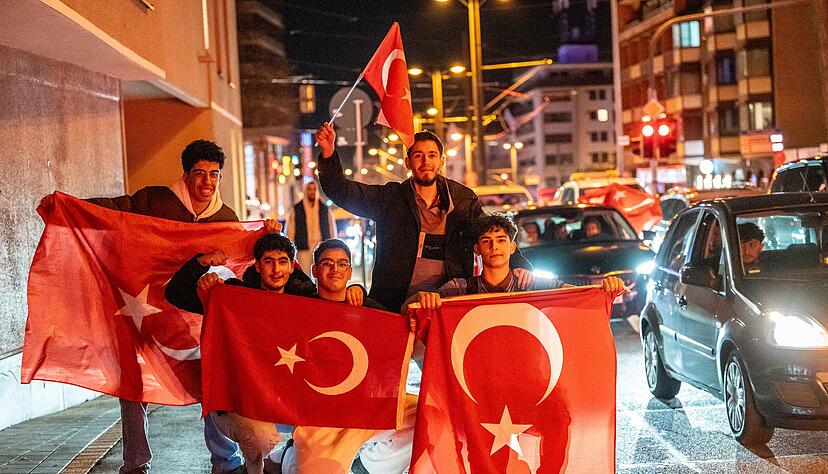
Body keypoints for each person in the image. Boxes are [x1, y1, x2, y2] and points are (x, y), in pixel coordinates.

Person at [87, 139, 248, 474]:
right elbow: (114, 211)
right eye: (199, 173)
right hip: (144, 309)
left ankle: (225, 460)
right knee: (134, 384)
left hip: (194, 316)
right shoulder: (154, 200)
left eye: (214, 174)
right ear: (186, 174)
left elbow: (243, 256)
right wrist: (70, 206)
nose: (207, 181)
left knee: (214, 382)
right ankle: (135, 463)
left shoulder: (225, 218)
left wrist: (268, 234)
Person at [315, 123, 534, 313]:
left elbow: (490, 232)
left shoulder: (462, 200)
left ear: (441, 161)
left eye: (432, 155)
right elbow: (340, 190)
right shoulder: (390, 198)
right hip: (393, 303)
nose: (425, 161)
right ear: (408, 162)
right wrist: (328, 152)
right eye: (418, 156)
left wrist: (519, 264)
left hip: (448, 302)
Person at [266, 239, 416, 474]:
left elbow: (402, 331)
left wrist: (421, 307)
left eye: (342, 264)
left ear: (349, 271)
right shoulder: (299, 305)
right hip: (321, 416)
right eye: (327, 263)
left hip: (367, 404)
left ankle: (369, 467)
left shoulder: (370, 309)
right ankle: (289, 455)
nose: (335, 269)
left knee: (429, 413)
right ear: (315, 270)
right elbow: (262, 288)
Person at [406, 215, 625, 324]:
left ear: (512, 247)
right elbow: (410, 309)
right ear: (477, 250)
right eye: (487, 241)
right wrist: (421, 298)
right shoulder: (459, 289)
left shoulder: (532, 284)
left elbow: (576, 295)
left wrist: (606, 289)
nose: (494, 247)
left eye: (501, 240)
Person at [287, 181, 337, 273]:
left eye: (314, 189)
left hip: (321, 245)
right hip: (303, 247)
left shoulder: (324, 209)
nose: (312, 192)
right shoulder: (297, 209)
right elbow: (290, 229)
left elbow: (331, 228)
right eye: (309, 189)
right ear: (305, 191)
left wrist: (332, 245)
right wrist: (290, 247)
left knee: (322, 273)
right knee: (304, 273)